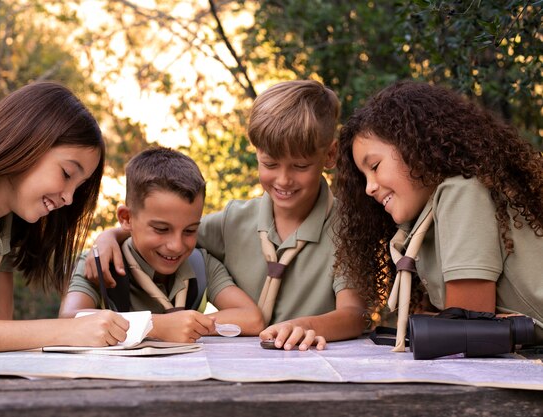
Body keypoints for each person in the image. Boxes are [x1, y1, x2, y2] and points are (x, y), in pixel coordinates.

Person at [86, 80, 367, 350]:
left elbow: (354, 314)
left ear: (330, 155)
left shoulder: (347, 228)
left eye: (300, 166)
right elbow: (172, 232)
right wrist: (109, 235)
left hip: (312, 362)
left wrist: (302, 326)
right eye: (269, 163)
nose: (283, 179)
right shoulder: (233, 221)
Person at [0, 81, 129, 351]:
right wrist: (68, 330)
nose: (69, 198)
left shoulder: (3, 223)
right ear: (28, 141)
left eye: (78, 186)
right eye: (66, 174)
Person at [334, 80, 543, 346]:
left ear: (415, 146)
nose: (369, 188)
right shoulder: (423, 221)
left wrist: (440, 324)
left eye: (374, 166)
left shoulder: (462, 192)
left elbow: (465, 332)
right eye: (364, 177)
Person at [59, 147, 264, 343]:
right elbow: (68, 320)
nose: (176, 246)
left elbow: (252, 319)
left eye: (190, 230)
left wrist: (189, 325)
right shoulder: (99, 262)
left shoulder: (202, 265)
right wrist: (157, 326)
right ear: (126, 218)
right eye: (161, 229)